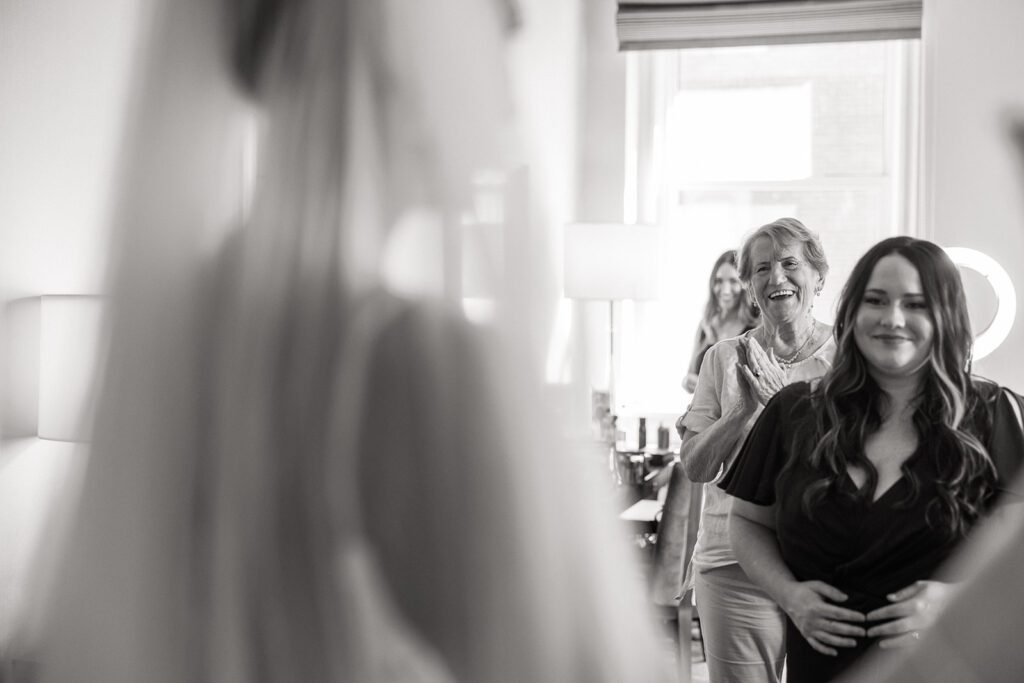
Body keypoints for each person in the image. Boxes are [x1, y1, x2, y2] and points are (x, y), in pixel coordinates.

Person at [38, 1, 673, 681]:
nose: (506, 84)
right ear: (403, 47)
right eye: (495, 24)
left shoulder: (173, 334)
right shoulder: (423, 370)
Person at [723, 236, 1024, 682]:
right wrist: (789, 595)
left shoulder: (995, 413)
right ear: (852, 313)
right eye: (876, 300)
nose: (893, 319)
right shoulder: (793, 411)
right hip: (822, 667)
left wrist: (954, 602)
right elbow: (747, 521)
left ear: (945, 317)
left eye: (916, 304)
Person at [678, 217, 835, 682]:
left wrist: (783, 406)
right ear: (749, 286)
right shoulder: (722, 358)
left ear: (818, 277)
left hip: (825, 562)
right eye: (762, 269)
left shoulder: (850, 357)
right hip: (732, 564)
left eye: (791, 264)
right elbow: (695, 466)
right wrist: (742, 413)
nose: (777, 278)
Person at [683, 250, 759, 393]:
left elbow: (755, 387)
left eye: (733, 281)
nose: (725, 290)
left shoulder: (756, 328)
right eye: (719, 281)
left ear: (746, 285)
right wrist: (688, 381)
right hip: (704, 413)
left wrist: (705, 384)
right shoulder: (706, 324)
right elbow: (691, 374)